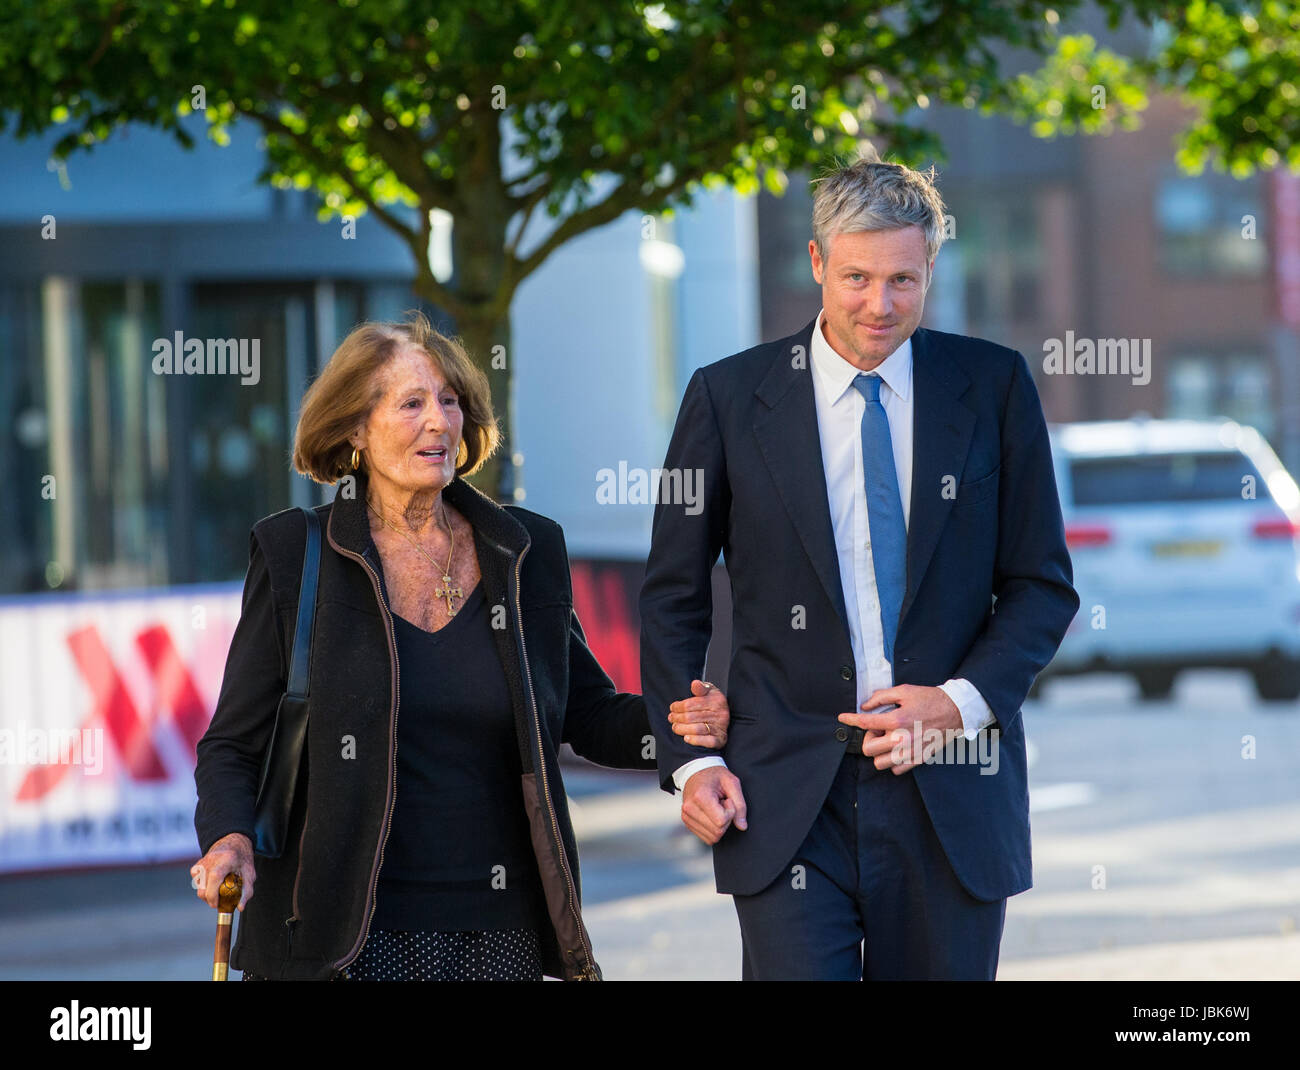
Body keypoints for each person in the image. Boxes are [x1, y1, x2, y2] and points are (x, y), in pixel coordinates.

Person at [639, 148, 1080, 980]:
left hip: (950, 789)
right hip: (783, 797)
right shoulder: (728, 398)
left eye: (903, 281)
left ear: (930, 270)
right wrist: (690, 761)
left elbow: (1041, 587)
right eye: (856, 278)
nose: (879, 305)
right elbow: (672, 595)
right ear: (816, 263)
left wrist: (957, 705)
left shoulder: (992, 388)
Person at [191, 311, 731, 981]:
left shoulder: (523, 550)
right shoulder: (295, 554)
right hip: (340, 939)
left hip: (498, 932)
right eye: (412, 402)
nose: (440, 422)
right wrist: (228, 837)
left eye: (449, 401)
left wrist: (677, 719)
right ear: (355, 428)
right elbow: (232, 744)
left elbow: (584, 713)